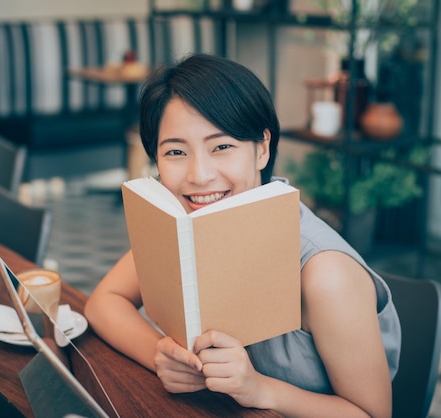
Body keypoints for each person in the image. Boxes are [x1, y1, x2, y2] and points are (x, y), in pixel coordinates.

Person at [85, 53, 401, 417]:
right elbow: (103, 301)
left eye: (222, 146)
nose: (199, 175)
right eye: (175, 151)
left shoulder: (326, 274)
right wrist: (163, 357)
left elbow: (374, 414)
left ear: (262, 148)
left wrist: (261, 389)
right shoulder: (187, 228)